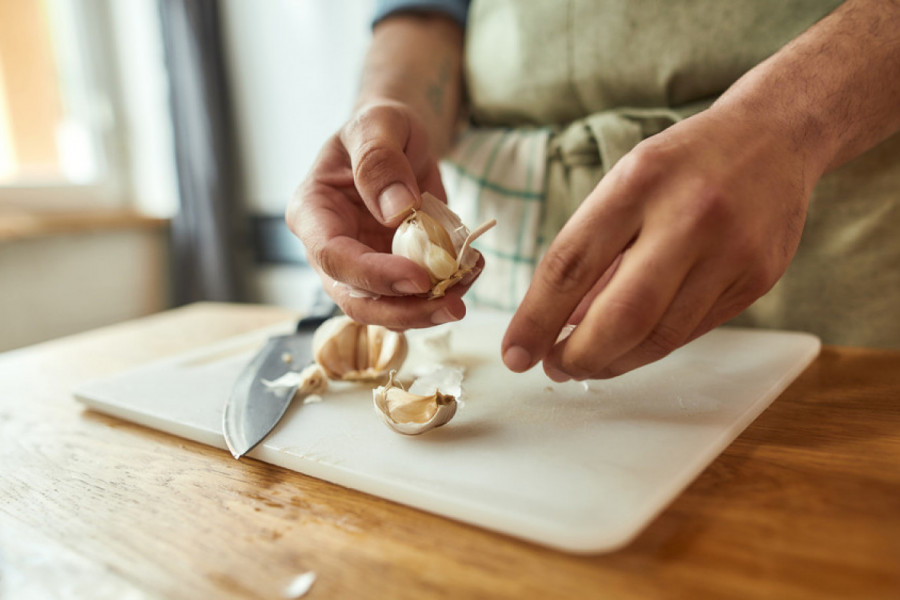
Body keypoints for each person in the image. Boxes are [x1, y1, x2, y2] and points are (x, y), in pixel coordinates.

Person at [287, 0, 900, 382]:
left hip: (829, 247)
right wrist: (388, 108)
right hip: (508, 245)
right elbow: (424, 11)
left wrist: (787, 125)